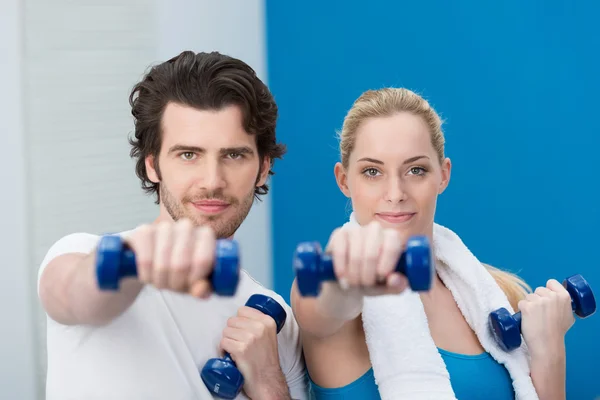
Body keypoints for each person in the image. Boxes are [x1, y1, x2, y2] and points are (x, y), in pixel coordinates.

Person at [37, 50, 307, 400]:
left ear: (262, 168)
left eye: (234, 155)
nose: (212, 180)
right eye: (188, 154)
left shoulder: (273, 318)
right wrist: (137, 263)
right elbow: (73, 293)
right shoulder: (83, 254)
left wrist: (269, 383)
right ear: (152, 165)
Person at [291, 88, 574, 400]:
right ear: (344, 180)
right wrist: (348, 282)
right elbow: (326, 305)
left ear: (443, 175)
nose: (396, 192)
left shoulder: (491, 296)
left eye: (416, 170)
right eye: (372, 172)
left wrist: (550, 355)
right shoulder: (324, 280)